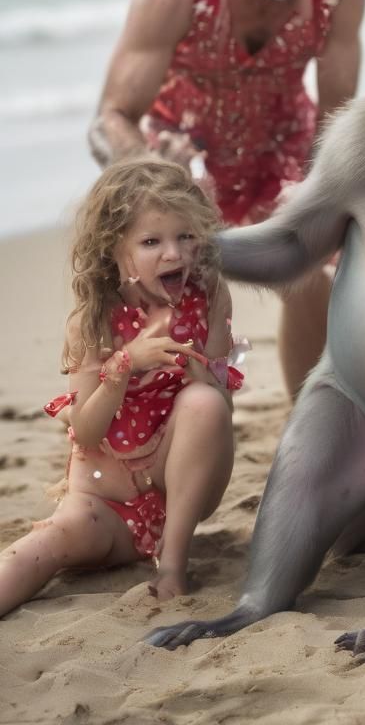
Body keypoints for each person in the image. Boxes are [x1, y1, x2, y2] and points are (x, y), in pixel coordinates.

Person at [88, 0, 365, 397]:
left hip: (281, 145)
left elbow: (335, 119)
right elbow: (109, 117)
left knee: (312, 269)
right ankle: (162, 420)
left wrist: (317, 188)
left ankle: (309, 420)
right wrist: (151, 172)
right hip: (180, 150)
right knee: (169, 281)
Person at [0, 157, 242, 617]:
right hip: (103, 506)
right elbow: (87, 431)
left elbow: (221, 408)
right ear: (113, 249)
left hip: (181, 497)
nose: (173, 254)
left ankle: (173, 564)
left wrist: (194, 359)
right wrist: (126, 364)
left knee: (205, 402)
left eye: (186, 236)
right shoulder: (94, 321)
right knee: (42, 547)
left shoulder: (209, 297)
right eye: (151, 241)